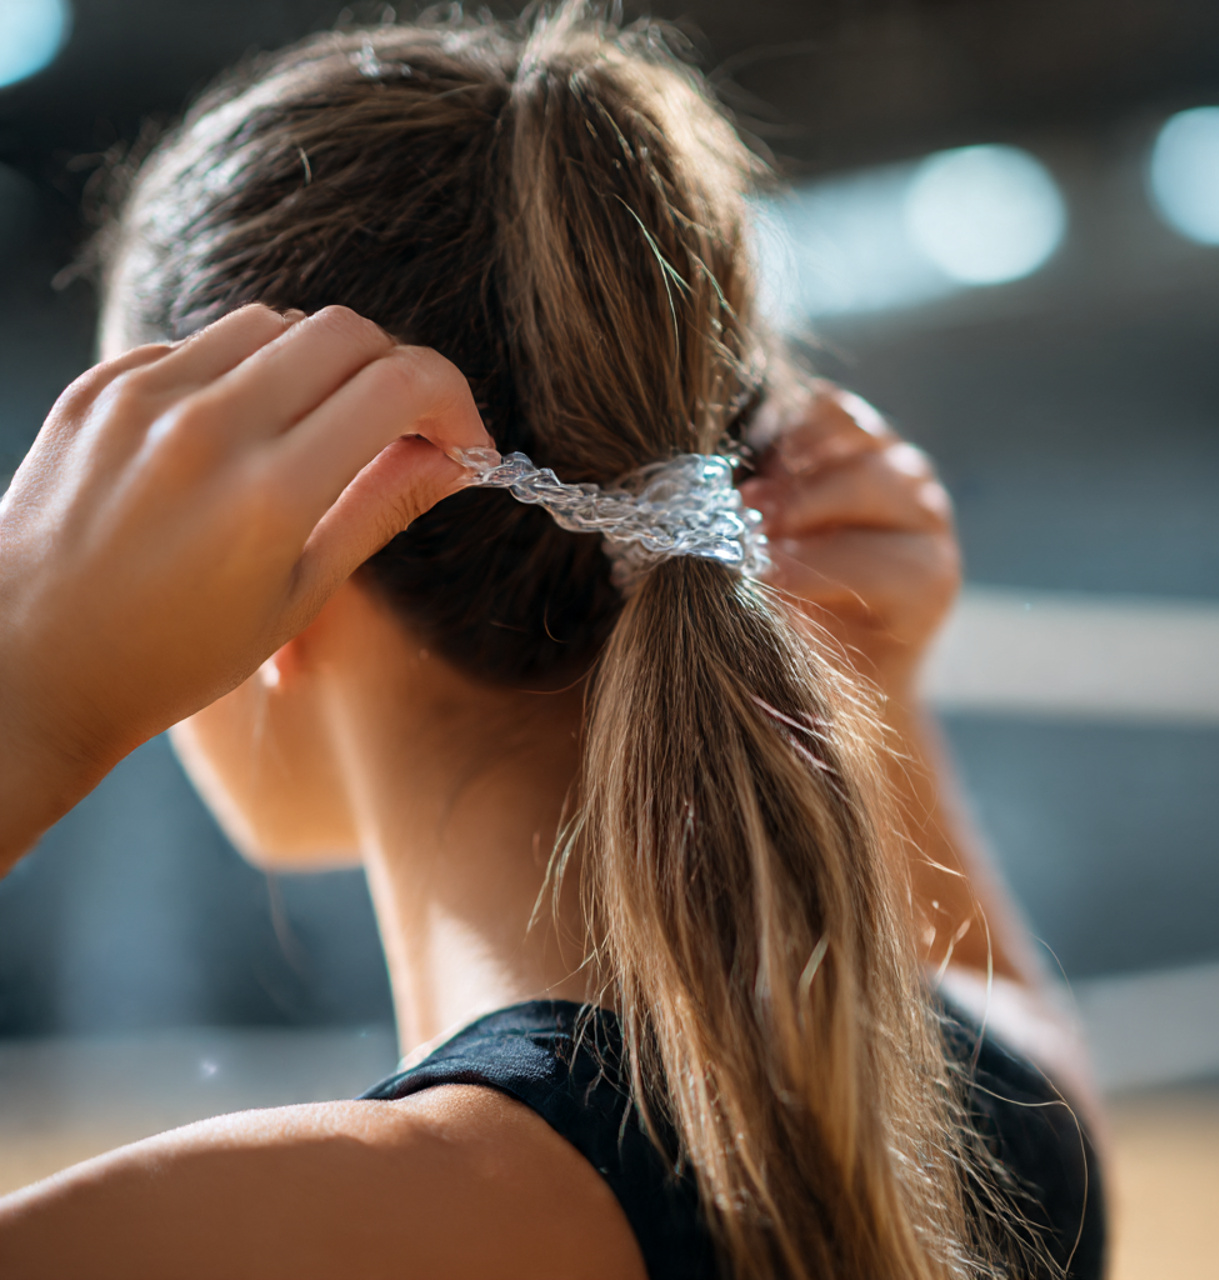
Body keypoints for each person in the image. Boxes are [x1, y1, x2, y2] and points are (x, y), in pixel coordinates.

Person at [0, 7, 1105, 1278]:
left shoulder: (308, 1230)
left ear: (289, 581)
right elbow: (1019, 1036)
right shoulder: (998, 1128)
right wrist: (873, 709)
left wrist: (26, 702)